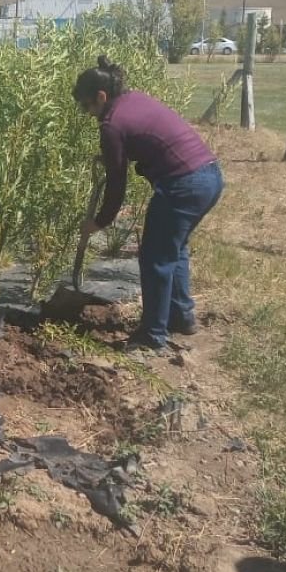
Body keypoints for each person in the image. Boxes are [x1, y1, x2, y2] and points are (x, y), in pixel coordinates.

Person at [73, 55, 223, 353]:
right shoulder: (133, 100)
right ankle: (181, 317)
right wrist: (112, 156)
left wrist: (99, 221)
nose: (88, 113)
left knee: (155, 258)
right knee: (174, 249)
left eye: (87, 105)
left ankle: (152, 335)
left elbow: (117, 186)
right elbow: (143, 138)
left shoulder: (111, 124)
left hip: (183, 185)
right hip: (209, 175)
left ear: (101, 96)